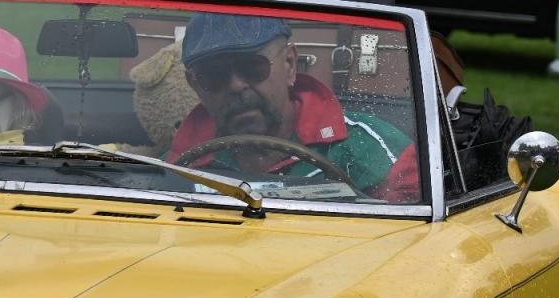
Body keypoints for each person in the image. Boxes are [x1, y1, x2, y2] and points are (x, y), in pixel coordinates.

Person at [166, 14, 418, 201]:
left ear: (289, 64)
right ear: (196, 85)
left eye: (252, 67)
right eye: (213, 76)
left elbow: (409, 242)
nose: (236, 86)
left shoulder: (372, 148)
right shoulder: (176, 167)